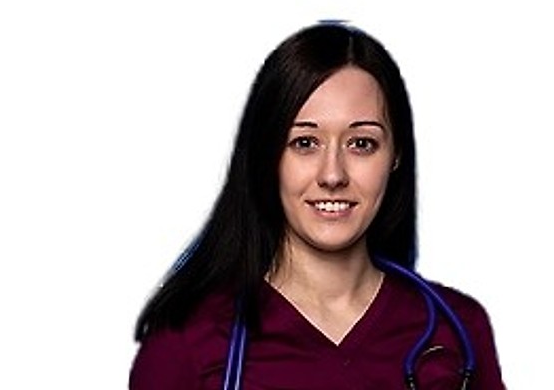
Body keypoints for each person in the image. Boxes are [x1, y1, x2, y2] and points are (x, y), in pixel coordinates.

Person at [129, 22, 506, 389]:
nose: (333, 174)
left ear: (396, 156)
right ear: (267, 155)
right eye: (305, 143)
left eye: (361, 144)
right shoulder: (185, 340)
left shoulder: (457, 330)